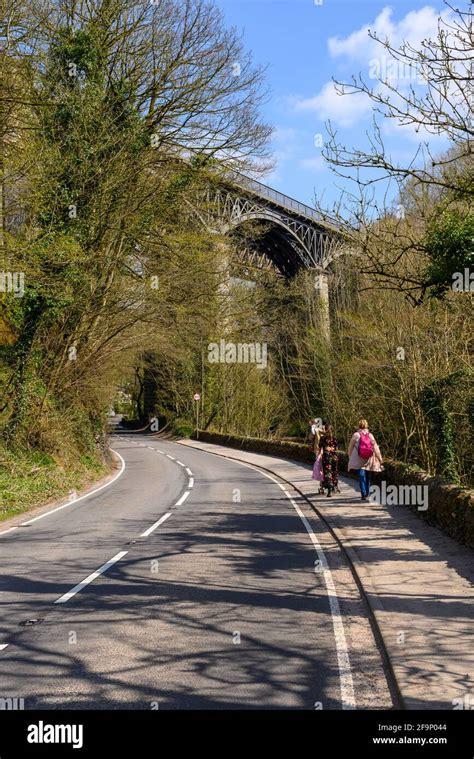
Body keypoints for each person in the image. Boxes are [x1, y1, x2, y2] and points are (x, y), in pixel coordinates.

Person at [347, 419, 384, 501]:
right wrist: (380, 458)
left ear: (359, 425)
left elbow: (350, 447)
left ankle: (363, 493)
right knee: (367, 476)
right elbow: (376, 448)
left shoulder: (356, 435)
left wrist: (350, 455)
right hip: (368, 459)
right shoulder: (370, 435)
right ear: (367, 425)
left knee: (361, 476)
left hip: (358, 458)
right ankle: (367, 492)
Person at [318, 424, 339, 497]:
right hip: (334, 457)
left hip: (327, 458)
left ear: (325, 429)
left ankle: (329, 490)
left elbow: (319, 447)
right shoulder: (334, 438)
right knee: (334, 472)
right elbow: (336, 448)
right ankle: (334, 486)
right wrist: (332, 449)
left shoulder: (323, 438)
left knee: (328, 473)